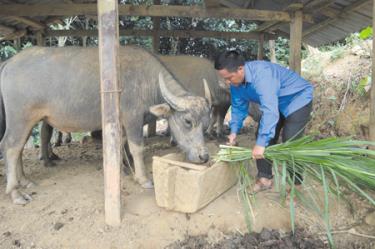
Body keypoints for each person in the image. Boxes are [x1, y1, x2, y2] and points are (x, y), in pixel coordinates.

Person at [214, 50, 313, 192]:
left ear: (240, 69)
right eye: (225, 79)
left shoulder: (262, 75)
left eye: (229, 78)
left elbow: (269, 111)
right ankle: (265, 179)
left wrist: (261, 144)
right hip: (276, 103)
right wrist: (234, 132)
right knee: (262, 136)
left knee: (290, 142)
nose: (227, 82)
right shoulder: (236, 83)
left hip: (297, 98)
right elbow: (238, 107)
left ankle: (296, 185)